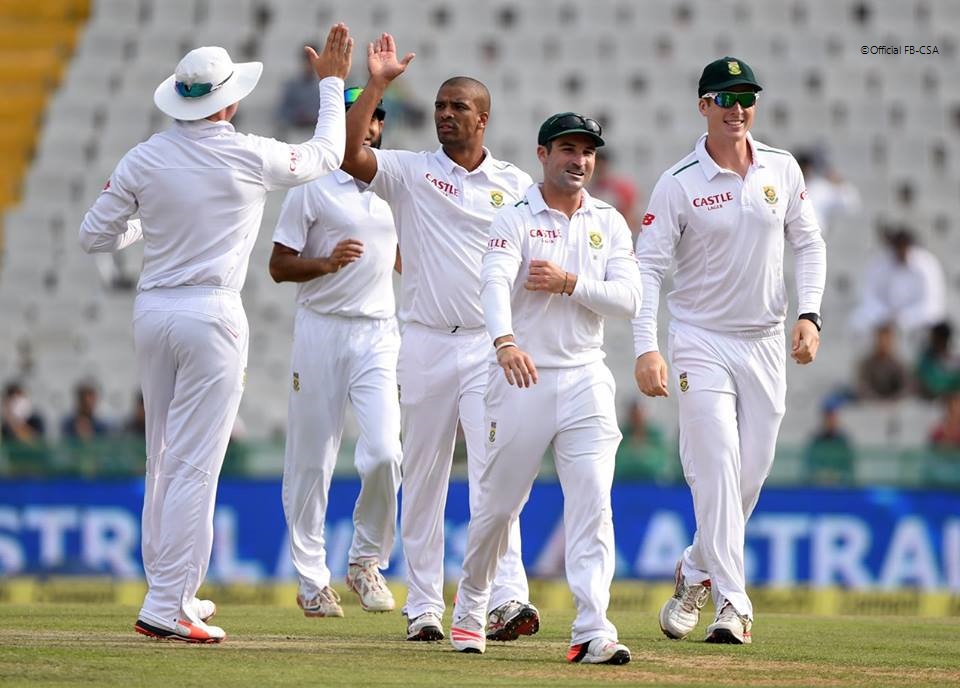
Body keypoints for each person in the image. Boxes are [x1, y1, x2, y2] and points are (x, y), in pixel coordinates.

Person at [78, 24, 354, 643]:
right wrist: (332, 84)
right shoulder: (248, 153)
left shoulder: (143, 157)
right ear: (228, 102)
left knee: (163, 457)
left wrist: (148, 224)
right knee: (195, 464)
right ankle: (167, 602)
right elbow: (326, 155)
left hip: (153, 311)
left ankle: (171, 590)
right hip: (210, 313)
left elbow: (94, 236)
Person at [340, 33, 537, 642]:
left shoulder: (516, 184)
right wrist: (377, 84)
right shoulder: (410, 171)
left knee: (494, 477)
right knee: (424, 479)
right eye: (439, 107)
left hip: (488, 346)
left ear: (483, 118)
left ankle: (506, 596)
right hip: (425, 341)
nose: (445, 114)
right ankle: (423, 605)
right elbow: (347, 156)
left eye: (458, 107)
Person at [633, 57, 826, 645]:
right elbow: (647, 268)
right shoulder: (679, 181)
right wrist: (646, 348)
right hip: (700, 340)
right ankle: (733, 603)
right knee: (716, 467)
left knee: (749, 477)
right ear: (704, 106)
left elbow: (808, 242)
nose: (737, 108)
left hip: (764, 339)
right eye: (725, 98)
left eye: (746, 98)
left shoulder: (781, 167)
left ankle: (696, 568)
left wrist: (810, 314)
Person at [449, 112, 642, 664]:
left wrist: (569, 283)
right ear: (543, 154)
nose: (579, 160)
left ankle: (592, 628)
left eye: (587, 152)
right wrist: (505, 342)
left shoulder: (608, 220)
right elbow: (491, 282)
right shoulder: (514, 216)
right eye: (567, 149)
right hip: (522, 375)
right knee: (499, 506)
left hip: (585, 376)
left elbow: (629, 299)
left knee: (593, 503)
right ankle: (472, 604)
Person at [269, 86, 400, 619]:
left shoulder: (393, 187)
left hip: (379, 332)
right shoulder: (313, 186)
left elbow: (410, 259)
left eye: (377, 118)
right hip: (321, 330)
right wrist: (325, 264)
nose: (370, 126)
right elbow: (279, 265)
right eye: (360, 116)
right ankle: (310, 579)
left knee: (386, 452)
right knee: (311, 457)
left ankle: (366, 560)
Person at [850, 225, 946, 337]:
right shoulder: (879, 263)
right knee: (858, 319)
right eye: (898, 247)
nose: (901, 251)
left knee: (934, 319)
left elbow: (931, 303)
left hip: (917, 319)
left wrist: (904, 318)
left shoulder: (927, 264)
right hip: (885, 317)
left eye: (904, 247)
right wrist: (886, 315)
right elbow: (869, 296)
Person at [588, 149, 640, 235]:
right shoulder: (588, 190)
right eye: (596, 166)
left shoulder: (622, 187)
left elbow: (631, 216)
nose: (599, 169)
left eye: (601, 165)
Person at [803, 400, 856, 485]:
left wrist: (837, 476)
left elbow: (848, 467)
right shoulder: (816, 441)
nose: (830, 421)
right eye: (828, 417)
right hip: (819, 486)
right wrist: (822, 475)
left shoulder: (843, 442)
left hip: (840, 486)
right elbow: (810, 465)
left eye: (833, 417)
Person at [855, 322, 909, 401]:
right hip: (871, 404)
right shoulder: (866, 364)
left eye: (887, 340)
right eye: (881, 340)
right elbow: (863, 387)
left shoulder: (898, 364)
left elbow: (905, 387)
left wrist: (891, 400)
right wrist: (878, 401)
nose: (883, 344)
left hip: (894, 404)